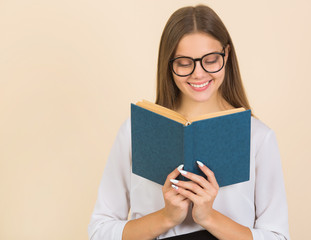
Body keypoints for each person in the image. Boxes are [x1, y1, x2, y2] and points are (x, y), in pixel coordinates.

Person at [88, 5, 290, 240]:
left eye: (211, 60)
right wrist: (166, 217)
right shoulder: (135, 131)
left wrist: (208, 217)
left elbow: (277, 236)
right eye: (184, 63)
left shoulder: (258, 137)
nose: (198, 74)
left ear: (227, 54)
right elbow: (99, 232)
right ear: (169, 64)